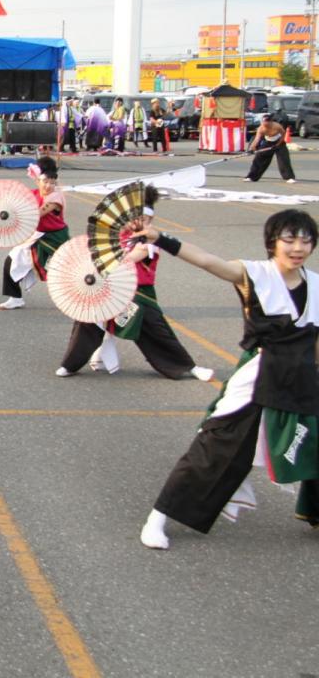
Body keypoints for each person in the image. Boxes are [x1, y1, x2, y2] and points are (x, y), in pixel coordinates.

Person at [137, 209, 319, 550]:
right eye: (290, 239)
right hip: (259, 376)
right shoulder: (253, 274)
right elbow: (208, 261)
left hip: (303, 378)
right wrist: (161, 239)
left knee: (315, 443)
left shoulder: (317, 285)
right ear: (272, 242)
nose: (299, 247)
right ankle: (158, 516)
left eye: (306, 240)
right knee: (215, 448)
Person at [56, 186, 213, 381]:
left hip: (139, 292)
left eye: (146, 220)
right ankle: (70, 364)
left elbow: (131, 258)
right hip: (108, 289)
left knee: (157, 330)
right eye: (137, 219)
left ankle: (187, 367)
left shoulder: (150, 242)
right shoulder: (113, 237)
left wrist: (111, 260)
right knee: (87, 320)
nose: (141, 224)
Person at [0, 156, 69, 310]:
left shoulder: (55, 197)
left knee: (67, 270)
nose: (49, 185)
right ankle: (15, 298)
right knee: (11, 260)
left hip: (54, 238)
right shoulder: (34, 193)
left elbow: (35, 215)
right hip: (38, 236)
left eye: (53, 182)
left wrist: (16, 216)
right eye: (46, 181)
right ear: (37, 180)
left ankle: (82, 297)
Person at [243, 115, 296, 184]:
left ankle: (289, 177)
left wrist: (278, 144)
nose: (265, 124)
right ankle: (251, 177)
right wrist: (251, 149)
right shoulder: (261, 129)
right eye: (264, 122)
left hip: (279, 142)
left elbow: (283, 134)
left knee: (283, 160)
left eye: (267, 123)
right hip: (268, 142)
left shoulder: (277, 126)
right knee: (259, 158)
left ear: (271, 122)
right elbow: (256, 140)